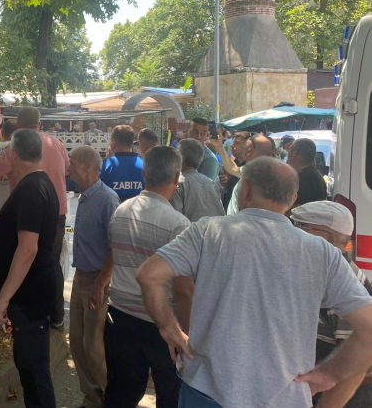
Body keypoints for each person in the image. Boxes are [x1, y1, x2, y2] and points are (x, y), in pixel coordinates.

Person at [136, 157, 372, 408]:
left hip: (207, 391)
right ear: (293, 198)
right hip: (284, 397)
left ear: (245, 189)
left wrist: (169, 329)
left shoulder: (207, 231)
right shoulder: (324, 253)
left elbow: (148, 275)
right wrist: (328, 375)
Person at [95, 146, 192, 408]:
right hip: (161, 323)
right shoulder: (178, 224)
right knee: (170, 395)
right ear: (176, 178)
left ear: (145, 174)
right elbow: (183, 289)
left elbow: (113, 255)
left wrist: (101, 283)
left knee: (120, 394)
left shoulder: (121, 210)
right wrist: (186, 332)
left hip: (120, 316)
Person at [0, 129, 59, 408]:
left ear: (14, 155)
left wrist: (3, 298)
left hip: (29, 294)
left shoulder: (32, 188)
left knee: (34, 369)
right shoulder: (37, 183)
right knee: (27, 366)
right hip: (28, 292)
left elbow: (28, 249)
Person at [0, 107, 70, 328]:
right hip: (57, 210)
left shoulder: (16, 146)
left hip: (28, 209)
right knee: (51, 262)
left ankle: (27, 315)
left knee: (27, 260)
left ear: (18, 126)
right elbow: (67, 169)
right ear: (40, 124)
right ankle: (57, 315)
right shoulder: (56, 142)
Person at [291, 201, 372, 408]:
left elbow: (357, 367)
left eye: (301, 227)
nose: (293, 232)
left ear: (329, 239)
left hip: (341, 397)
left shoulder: (343, 283)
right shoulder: (320, 270)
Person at [67, 146, 119, 408]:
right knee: (77, 341)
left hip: (98, 281)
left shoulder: (107, 199)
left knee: (93, 345)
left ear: (87, 167)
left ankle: (110, 397)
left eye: (72, 162)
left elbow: (114, 247)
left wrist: (101, 284)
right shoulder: (85, 196)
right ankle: (92, 397)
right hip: (81, 277)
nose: (68, 167)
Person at [213, 132, 275, 215]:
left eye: (245, 145)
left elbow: (232, 169)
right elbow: (233, 168)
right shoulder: (267, 171)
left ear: (249, 152)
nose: (232, 145)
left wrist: (219, 146)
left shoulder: (254, 172)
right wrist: (219, 146)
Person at [170, 139, 225, 222]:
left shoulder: (178, 183)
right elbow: (221, 213)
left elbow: (175, 219)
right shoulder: (211, 183)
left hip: (189, 229)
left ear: (181, 159)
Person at [100, 125, 145, 202]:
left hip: (114, 209)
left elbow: (99, 193)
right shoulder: (144, 164)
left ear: (113, 142)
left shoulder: (106, 165)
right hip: (139, 208)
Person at [287, 138, 327, 209]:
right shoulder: (316, 175)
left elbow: (299, 208)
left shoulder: (301, 177)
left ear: (295, 152)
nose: (288, 153)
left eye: (290, 149)